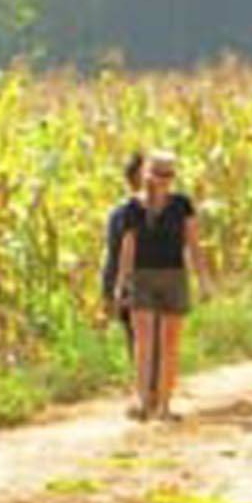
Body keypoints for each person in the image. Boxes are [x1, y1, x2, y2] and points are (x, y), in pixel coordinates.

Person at [112, 150, 214, 421]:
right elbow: (128, 248)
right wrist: (121, 284)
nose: (165, 180)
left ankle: (165, 404)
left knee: (170, 344)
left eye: (169, 175)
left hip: (173, 275)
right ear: (148, 175)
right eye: (159, 174)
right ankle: (144, 401)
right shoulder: (133, 208)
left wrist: (203, 279)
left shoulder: (182, 205)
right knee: (144, 342)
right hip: (142, 276)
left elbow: (193, 244)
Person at [98, 153, 145, 403]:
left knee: (142, 338)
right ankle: (146, 390)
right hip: (133, 284)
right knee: (138, 338)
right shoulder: (122, 214)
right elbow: (115, 253)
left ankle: (149, 389)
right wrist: (111, 289)